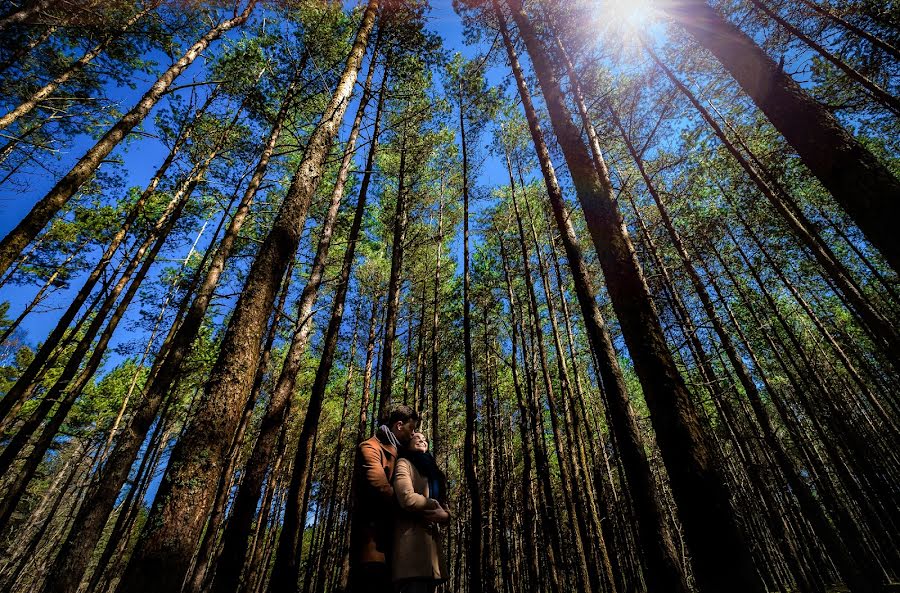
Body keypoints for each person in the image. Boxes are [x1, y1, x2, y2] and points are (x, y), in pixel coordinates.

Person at [349, 404, 444, 593]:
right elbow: (380, 487)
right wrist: (417, 506)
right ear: (399, 425)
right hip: (374, 543)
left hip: (396, 544)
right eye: (412, 427)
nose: (414, 433)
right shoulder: (370, 447)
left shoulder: (405, 454)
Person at [391, 431, 450, 593]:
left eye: (425, 439)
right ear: (408, 443)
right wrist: (433, 505)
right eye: (417, 438)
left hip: (431, 555)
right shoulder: (404, 463)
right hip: (410, 550)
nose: (422, 441)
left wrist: (445, 516)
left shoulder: (434, 473)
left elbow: (445, 508)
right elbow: (407, 498)